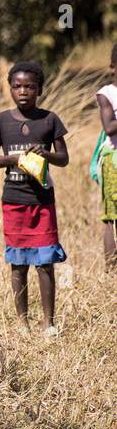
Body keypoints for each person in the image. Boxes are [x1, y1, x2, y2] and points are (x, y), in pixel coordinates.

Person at [0, 61, 69, 335]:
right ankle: (22, 323)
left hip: (43, 200)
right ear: (9, 88)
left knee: (45, 262)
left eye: (30, 86)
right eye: (17, 86)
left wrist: (45, 154)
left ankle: (49, 322)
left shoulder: (50, 120)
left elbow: (64, 158)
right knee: (18, 263)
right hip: (14, 200)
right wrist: (14, 159)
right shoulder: (0, 121)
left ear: (40, 89)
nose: (23, 91)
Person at [91, 44, 117, 270]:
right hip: (114, 162)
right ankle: (111, 269)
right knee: (111, 216)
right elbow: (109, 127)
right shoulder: (106, 94)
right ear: (112, 67)